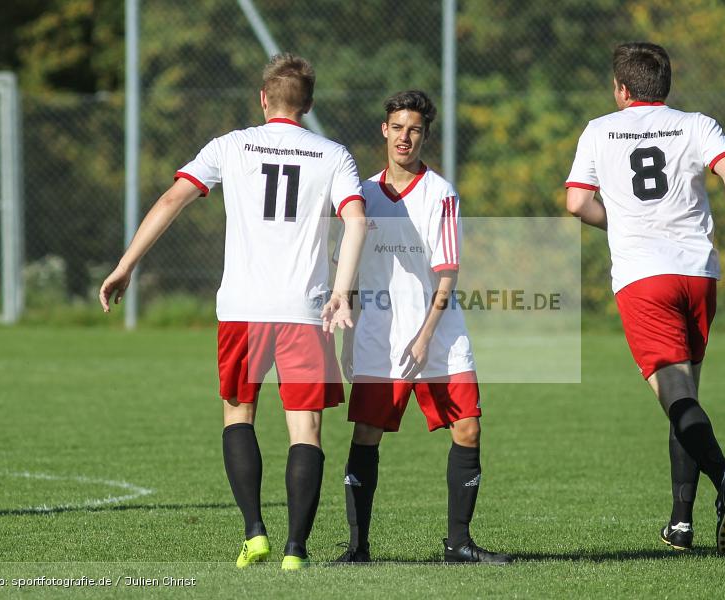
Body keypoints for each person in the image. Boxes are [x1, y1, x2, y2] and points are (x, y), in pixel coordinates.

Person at [98, 53, 367, 570]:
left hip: (243, 310)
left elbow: (173, 199)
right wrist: (340, 289)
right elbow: (356, 223)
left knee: (238, 415)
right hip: (304, 312)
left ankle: (254, 531)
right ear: (308, 105)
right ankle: (296, 550)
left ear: (263, 99)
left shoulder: (230, 146)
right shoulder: (333, 155)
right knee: (305, 430)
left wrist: (126, 264)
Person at [565, 42, 725, 556]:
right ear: (665, 85)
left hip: (644, 277)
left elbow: (577, 201)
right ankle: (681, 524)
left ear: (622, 89)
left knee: (676, 397)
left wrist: (617, 222)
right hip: (697, 273)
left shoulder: (601, 129)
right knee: (686, 394)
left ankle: (723, 475)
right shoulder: (697, 124)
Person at [333, 90, 511, 564]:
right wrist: (348, 339)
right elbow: (345, 273)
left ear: (424, 135)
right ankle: (357, 548)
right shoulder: (362, 195)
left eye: (414, 129)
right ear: (384, 131)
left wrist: (428, 332)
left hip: (439, 335)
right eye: (397, 127)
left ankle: (459, 544)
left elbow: (448, 273)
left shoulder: (441, 193)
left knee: (468, 429)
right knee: (367, 434)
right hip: (379, 338)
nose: (404, 137)